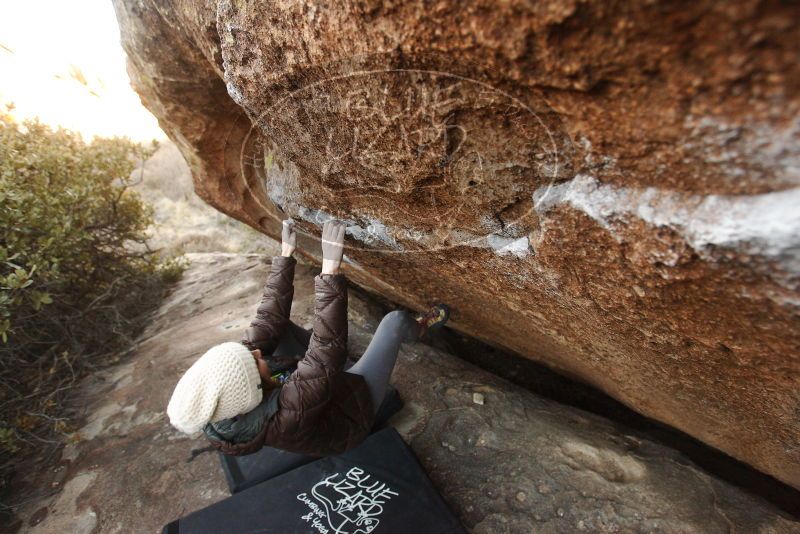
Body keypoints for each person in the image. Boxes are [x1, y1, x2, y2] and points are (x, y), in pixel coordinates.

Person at [166, 219, 449, 457]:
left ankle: (332, 359)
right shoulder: (285, 419)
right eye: (253, 363)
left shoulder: (229, 391)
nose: (255, 353)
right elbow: (325, 357)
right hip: (352, 408)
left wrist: (286, 255)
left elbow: (268, 319)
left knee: (280, 328)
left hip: (319, 385)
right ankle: (421, 328)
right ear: (253, 392)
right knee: (394, 323)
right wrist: (330, 271)